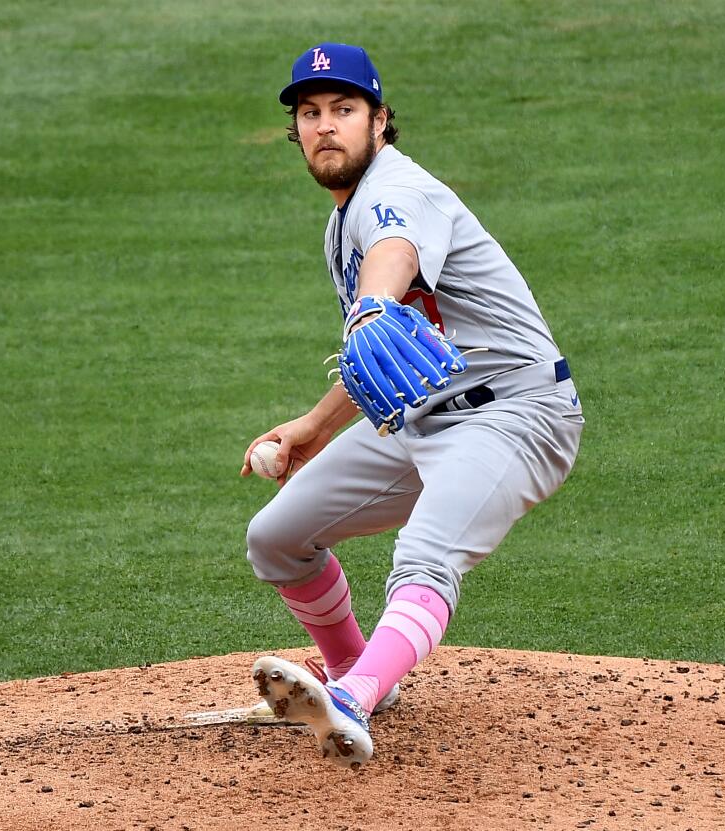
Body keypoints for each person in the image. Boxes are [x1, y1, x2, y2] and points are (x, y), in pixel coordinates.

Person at [240, 42, 583, 770]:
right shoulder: (340, 220)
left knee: (425, 555)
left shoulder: (398, 193)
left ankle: (356, 698)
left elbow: (393, 255)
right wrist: (313, 424)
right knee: (276, 536)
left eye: (344, 110)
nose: (326, 126)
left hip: (517, 415)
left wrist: (370, 302)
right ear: (296, 130)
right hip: (423, 419)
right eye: (310, 113)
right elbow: (392, 351)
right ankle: (356, 671)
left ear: (380, 121)